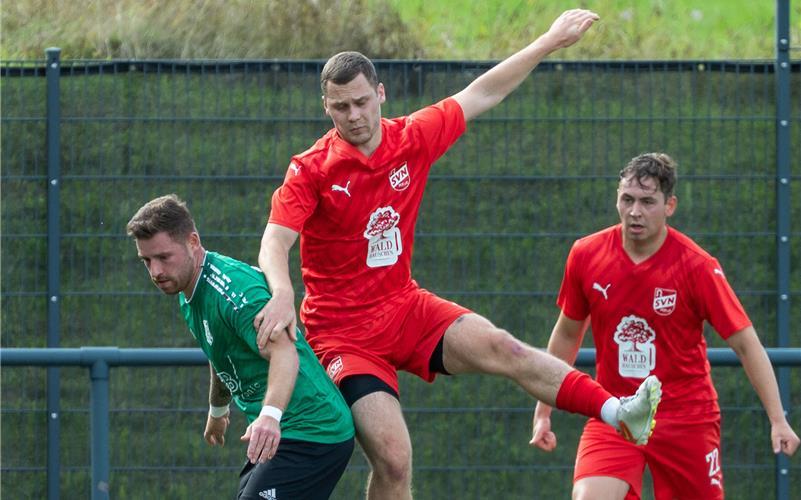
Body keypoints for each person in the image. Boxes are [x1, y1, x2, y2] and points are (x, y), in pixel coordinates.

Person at [253, 9, 663, 499]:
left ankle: (621, 413)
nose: (355, 115)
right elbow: (275, 240)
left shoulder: (412, 137)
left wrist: (549, 40)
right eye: (341, 107)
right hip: (343, 336)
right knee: (395, 458)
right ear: (327, 107)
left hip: (405, 308)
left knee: (505, 347)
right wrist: (281, 292)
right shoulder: (312, 169)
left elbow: (484, 91)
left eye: (362, 102)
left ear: (380, 94)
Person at [530, 153, 800, 499]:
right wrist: (543, 411)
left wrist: (778, 419)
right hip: (616, 413)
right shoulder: (586, 254)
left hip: (687, 419)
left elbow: (747, 346)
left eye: (647, 201)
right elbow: (568, 334)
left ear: (669, 205)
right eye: (627, 199)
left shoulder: (698, 267)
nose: (634, 211)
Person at [127, 194, 355, 500]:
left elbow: (285, 353)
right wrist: (218, 410)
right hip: (281, 433)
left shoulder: (233, 292)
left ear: (193, 241)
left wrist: (270, 417)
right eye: (147, 261)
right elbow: (219, 351)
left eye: (164, 257)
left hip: (313, 430)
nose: (155, 271)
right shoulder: (189, 290)